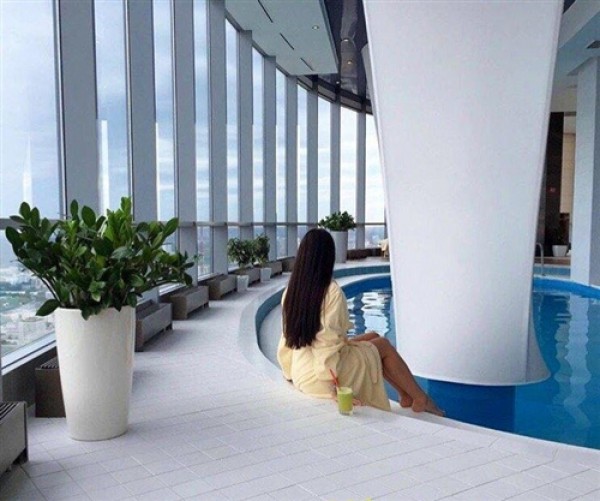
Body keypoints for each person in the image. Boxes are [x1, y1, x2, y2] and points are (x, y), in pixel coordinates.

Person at [277, 228, 443, 415]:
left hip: (301, 370)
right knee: (383, 345)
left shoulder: (291, 291)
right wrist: (333, 386)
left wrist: (289, 371)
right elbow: (326, 343)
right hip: (320, 378)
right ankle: (421, 398)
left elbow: (287, 337)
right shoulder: (330, 291)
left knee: (373, 336)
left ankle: (405, 395)